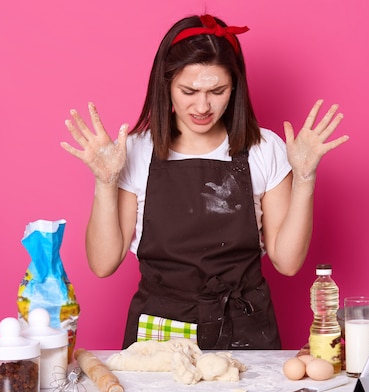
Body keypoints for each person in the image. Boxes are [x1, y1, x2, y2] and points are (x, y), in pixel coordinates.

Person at [61, 14, 349, 350]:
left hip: (245, 328)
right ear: (166, 85)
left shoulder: (264, 149)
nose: (202, 105)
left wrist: (304, 178)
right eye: (189, 91)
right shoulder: (137, 152)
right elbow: (103, 262)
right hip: (159, 333)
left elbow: (287, 262)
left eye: (217, 91)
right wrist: (105, 182)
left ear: (235, 87)